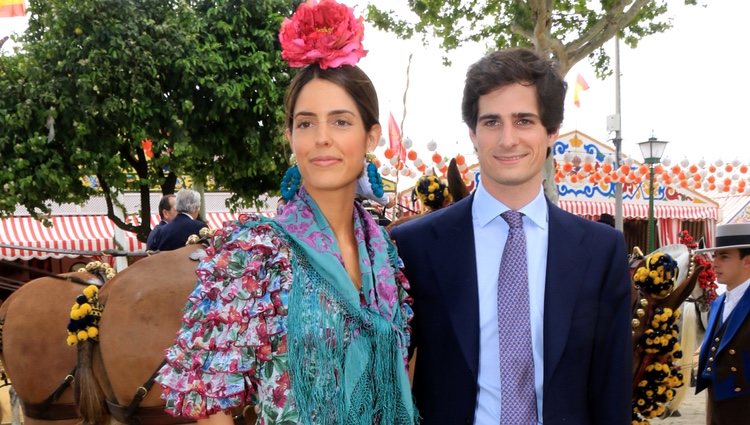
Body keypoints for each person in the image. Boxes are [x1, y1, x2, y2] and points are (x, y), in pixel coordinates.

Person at [155, 1, 417, 423]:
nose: (322, 139)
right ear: (290, 136)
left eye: (341, 122)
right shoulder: (255, 251)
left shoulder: (384, 252)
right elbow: (208, 404)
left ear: (371, 136)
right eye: (307, 123)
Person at [390, 48, 632, 424]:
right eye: (491, 122)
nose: (507, 139)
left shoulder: (600, 251)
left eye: (523, 121)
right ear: (472, 133)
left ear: (551, 132)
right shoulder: (415, 246)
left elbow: (611, 388)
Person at [695, 222, 750, 425]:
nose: (714, 263)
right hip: (717, 404)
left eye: (724, 256)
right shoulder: (718, 302)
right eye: (715, 256)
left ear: (747, 261)